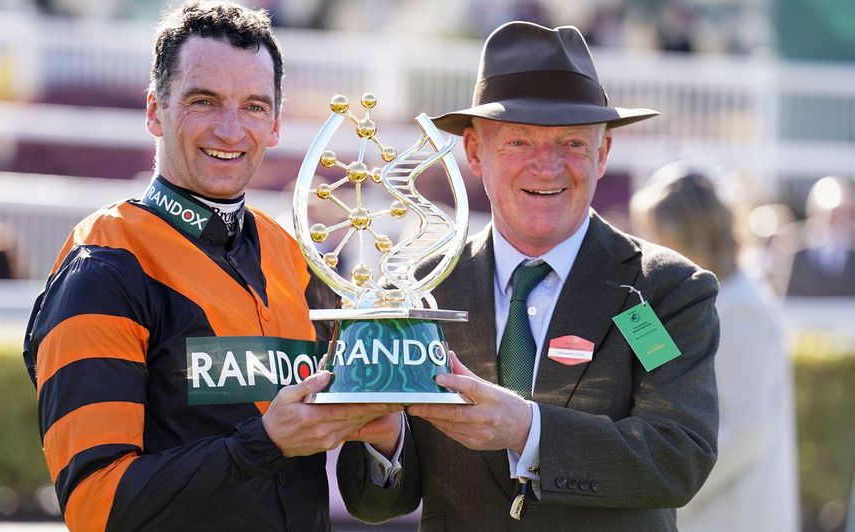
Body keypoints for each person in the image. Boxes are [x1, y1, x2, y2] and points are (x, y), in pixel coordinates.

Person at [22, 2, 398, 530]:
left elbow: (373, 503)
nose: (230, 129)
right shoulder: (102, 265)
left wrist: (385, 440)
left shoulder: (294, 257)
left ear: (274, 124)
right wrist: (264, 442)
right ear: (155, 110)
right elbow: (95, 507)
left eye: (253, 106)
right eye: (205, 101)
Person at [336, 22, 720, 531]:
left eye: (573, 144)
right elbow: (377, 503)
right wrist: (385, 442)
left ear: (602, 154)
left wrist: (527, 429)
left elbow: (678, 456)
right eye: (519, 141)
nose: (547, 167)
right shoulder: (416, 292)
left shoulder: (667, 289)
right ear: (474, 153)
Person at [631, 164, 799, 532]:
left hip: (729, 514)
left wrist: (666, 485)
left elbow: (746, 428)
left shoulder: (739, 308)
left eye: (658, 235)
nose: (651, 249)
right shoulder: (702, 299)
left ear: (691, 235)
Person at [783, 175, 855, 297]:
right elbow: (792, 296)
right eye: (831, 213)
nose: (834, 219)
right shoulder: (800, 255)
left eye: (840, 213)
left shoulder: (851, 254)